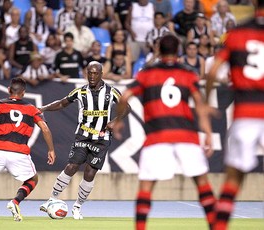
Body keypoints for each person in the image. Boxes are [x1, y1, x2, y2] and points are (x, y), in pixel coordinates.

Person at [112, 34, 216, 230]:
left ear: (158, 49)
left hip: (157, 136)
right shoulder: (188, 74)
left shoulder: (147, 74)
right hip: (186, 135)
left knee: (146, 188)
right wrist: (208, 133)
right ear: (178, 51)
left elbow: (125, 95)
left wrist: (118, 121)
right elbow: (200, 104)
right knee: (202, 183)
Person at [39, 61, 130, 219]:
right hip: (83, 135)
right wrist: (43, 108)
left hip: (101, 138)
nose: (92, 76)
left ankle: (77, 206)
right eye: (90, 73)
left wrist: (116, 120)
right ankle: (51, 199)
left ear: (101, 74)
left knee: (89, 173)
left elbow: (126, 107)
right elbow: (62, 103)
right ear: (86, 73)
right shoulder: (80, 91)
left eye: (95, 73)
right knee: (71, 166)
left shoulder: (111, 92)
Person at [205, 1, 264, 229]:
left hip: (246, 113)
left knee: (233, 179)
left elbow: (212, 71)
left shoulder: (238, 33)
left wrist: (208, 99)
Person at [0, 77, 56, 222]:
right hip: (19, 153)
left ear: (8, 90)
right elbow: (45, 129)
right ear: (23, 93)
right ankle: (15, 201)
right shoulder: (32, 109)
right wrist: (51, 150)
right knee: (33, 180)